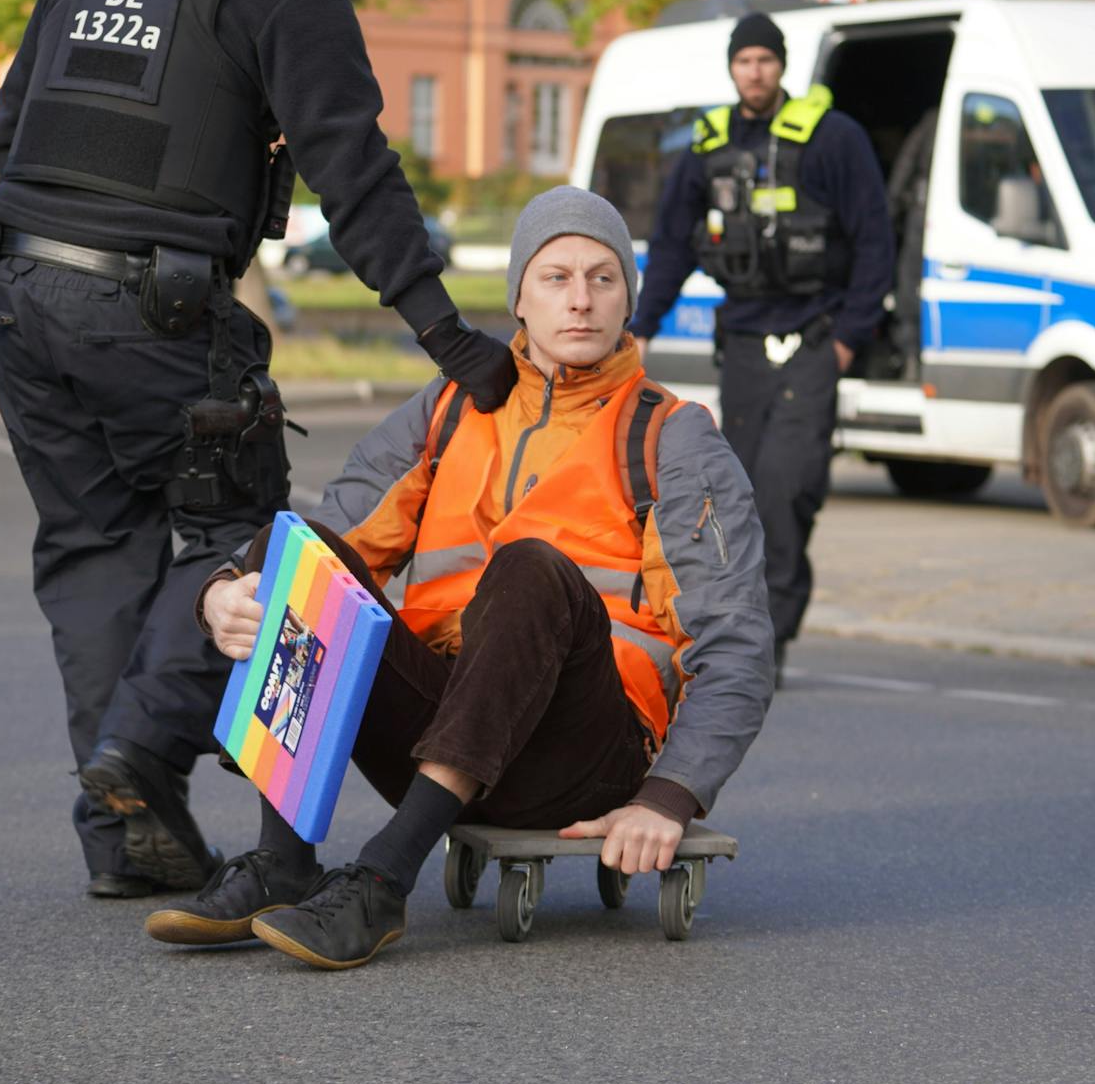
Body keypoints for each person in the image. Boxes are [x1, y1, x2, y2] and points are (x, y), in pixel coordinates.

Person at [0, 0, 520, 900]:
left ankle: (122, 836)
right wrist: (448, 335)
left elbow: (7, 135)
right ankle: (142, 748)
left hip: (17, 286)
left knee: (92, 546)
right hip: (150, 300)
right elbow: (352, 167)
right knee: (246, 540)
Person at [146, 187, 774, 969]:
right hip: (444, 727)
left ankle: (384, 876)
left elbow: (737, 643)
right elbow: (329, 536)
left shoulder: (670, 436)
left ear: (627, 299)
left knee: (530, 567)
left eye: (603, 278)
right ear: (519, 298)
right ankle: (283, 859)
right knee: (294, 548)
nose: (581, 299)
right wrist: (223, 592)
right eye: (556, 277)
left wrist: (669, 794)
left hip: (581, 754)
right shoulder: (449, 409)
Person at [630, 13, 892, 687]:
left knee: (789, 489)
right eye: (744, 60)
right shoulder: (708, 145)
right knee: (738, 496)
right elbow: (671, 243)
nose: (755, 72)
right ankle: (743, 638)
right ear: (731, 68)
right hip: (744, 341)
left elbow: (874, 241)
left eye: (765, 60)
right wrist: (640, 326)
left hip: (814, 339)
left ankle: (772, 638)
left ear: (782, 66)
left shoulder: (833, 138)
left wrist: (848, 340)